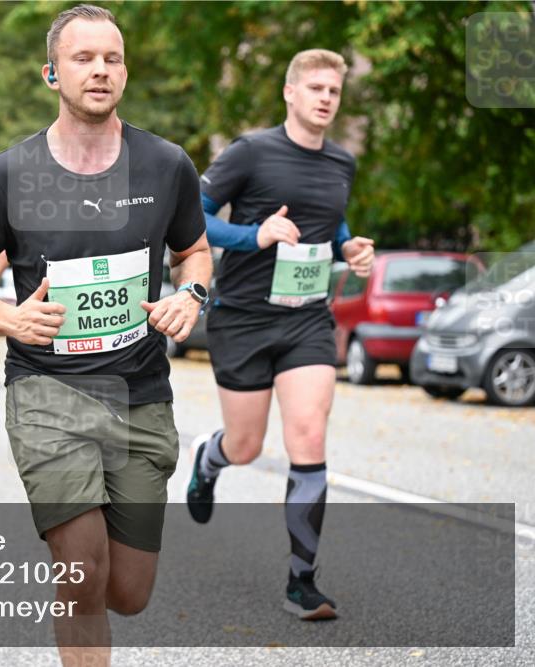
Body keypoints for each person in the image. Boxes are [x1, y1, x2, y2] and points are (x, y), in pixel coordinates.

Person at [0, 6, 212, 664]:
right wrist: (6, 317)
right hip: (47, 392)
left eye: (112, 58)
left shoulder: (166, 164)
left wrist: (192, 293)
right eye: (84, 58)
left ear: (125, 71)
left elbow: (194, 250)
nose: (99, 69)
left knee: (128, 590)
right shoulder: (9, 175)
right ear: (52, 73)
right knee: (82, 567)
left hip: (141, 392)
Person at [186, 48, 375, 621]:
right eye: (315, 87)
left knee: (308, 437)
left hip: (307, 319)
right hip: (242, 316)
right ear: (290, 93)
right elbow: (191, 215)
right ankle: (209, 461)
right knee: (246, 446)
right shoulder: (251, 151)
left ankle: (302, 583)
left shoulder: (341, 163)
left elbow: (330, 217)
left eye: (334, 91)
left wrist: (348, 246)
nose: (325, 98)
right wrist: (254, 235)